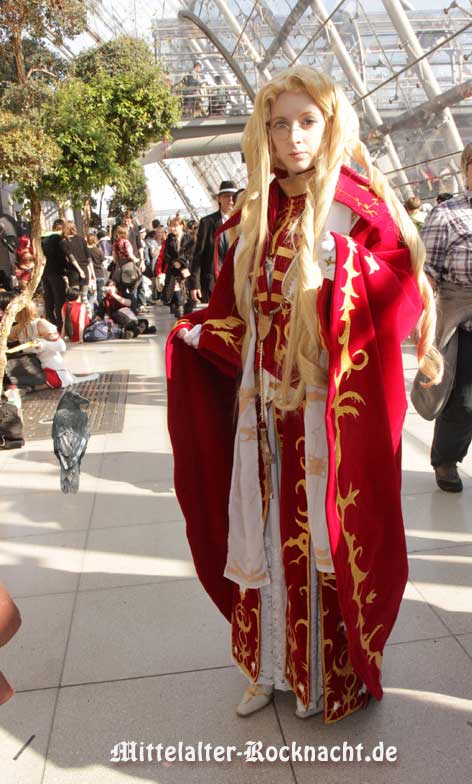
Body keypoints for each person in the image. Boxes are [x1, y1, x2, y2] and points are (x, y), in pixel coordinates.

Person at [167, 66, 442, 725]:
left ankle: (326, 677)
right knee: (260, 533)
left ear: (331, 125)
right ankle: (267, 668)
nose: (293, 136)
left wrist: (347, 261)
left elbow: (400, 294)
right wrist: (200, 336)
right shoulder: (253, 214)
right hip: (260, 414)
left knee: (325, 536)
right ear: (264, 130)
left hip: (328, 414)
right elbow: (241, 317)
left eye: (307, 121)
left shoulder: (358, 205)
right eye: (280, 122)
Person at [412, 144, 472, 493]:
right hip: (462, 324)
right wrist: (416, 315)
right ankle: (446, 459)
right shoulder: (447, 214)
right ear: (465, 169)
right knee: (461, 400)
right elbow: (428, 270)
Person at [8, 301, 93, 388]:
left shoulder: (41, 324)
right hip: (33, 368)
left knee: (23, 380)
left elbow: (61, 346)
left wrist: (43, 345)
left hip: (52, 370)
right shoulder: (18, 328)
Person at [190, 181, 238, 304]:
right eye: (226, 196)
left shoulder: (243, 221)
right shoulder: (208, 222)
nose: (230, 200)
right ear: (219, 199)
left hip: (237, 282)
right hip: (213, 282)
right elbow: (198, 255)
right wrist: (195, 284)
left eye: (234, 197)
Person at [60, 223, 93, 315]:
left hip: (74, 271)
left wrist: (79, 270)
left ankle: (77, 317)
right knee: (84, 296)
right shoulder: (81, 239)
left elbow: (71, 258)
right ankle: (89, 317)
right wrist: (91, 271)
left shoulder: (63, 242)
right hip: (85, 269)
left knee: (75, 298)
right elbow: (88, 256)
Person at [41, 219, 68, 332]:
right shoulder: (57, 239)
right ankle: (60, 325)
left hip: (44, 272)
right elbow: (61, 256)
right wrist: (65, 269)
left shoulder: (42, 238)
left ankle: (50, 323)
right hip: (56, 272)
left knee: (48, 299)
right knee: (59, 299)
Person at [87, 232, 106, 305]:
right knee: (100, 293)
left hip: (90, 275)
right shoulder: (99, 251)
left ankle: (91, 310)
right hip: (100, 274)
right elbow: (103, 260)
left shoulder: (86, 251)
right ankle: (101, 308)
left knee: (91, 295)